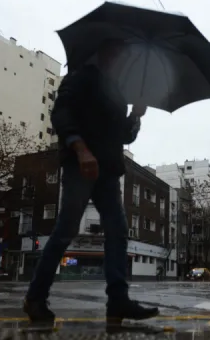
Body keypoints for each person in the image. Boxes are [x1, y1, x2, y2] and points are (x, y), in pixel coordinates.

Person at [23, 40, 159, 325]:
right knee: (66, 229)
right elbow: (61, 114)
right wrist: (80, 148)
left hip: (107, 171)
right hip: (80, 165)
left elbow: (122, 136)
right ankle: (35, 297)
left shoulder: (116, 91)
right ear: (104, 52)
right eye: (119, 53)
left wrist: (135, 115)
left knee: (118, 231)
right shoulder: (80, 77)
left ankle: (117, 302)